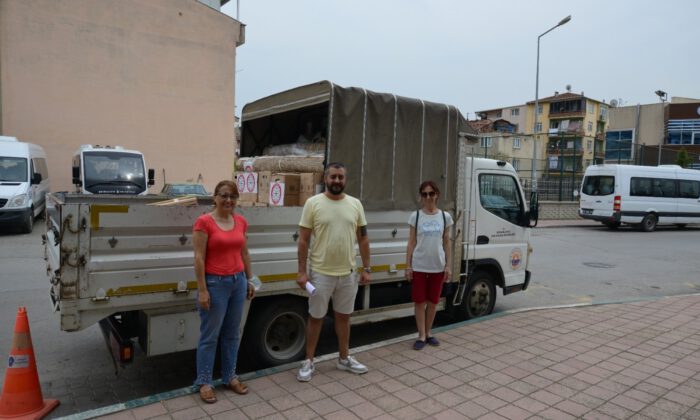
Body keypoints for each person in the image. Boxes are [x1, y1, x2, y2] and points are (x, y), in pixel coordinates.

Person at [296, 162, 371, 382]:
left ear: (345, 180)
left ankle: (344, 358)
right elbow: (303, 240)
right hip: (320, 273)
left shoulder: (355, 204)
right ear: (325, 179)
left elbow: (363, 238)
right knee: (316, 318)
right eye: (333, 177)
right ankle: (309, 361)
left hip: (348, 274)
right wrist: (302, 272)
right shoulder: (313, 203)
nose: (337, 181)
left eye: (340, 177)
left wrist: (367, 268)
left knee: (344, 318)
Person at [192, 180, 255, 403]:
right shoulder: (204, 222)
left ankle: (230, 377)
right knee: (210, 336)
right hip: (215, 284)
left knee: (232, 333)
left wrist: (250, 280)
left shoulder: (240, 222)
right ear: (215, 198)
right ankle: (205, 381)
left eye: (233, 197)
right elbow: (199, 258)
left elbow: (245, 254)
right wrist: (202, 290)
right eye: (224, 196)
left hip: (238, 282)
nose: (229, 200)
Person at [405, 181, 453, 350]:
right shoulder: (416, 216)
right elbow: (411, 242)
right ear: (421, 197)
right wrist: (408, 266)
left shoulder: (445, 217)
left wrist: (448, 265)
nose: (428, 197)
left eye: (431, 193)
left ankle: (429, 332)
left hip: (437, 266)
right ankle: (421, 335)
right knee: (419, 302)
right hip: (419, 265)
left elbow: (447, 242)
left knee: (433, 302)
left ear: (437, 195)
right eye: (424, 194)